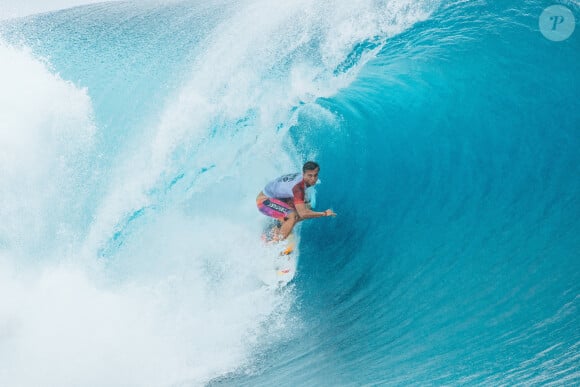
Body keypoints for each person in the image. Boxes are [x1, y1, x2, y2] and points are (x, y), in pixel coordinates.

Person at [256, 161, 336, 241]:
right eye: (310, 176)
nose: (313, 179)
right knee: (293, 216)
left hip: (276, 196)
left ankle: (276, 226)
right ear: (304, 174)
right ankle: (276, 243)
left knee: (303, 207)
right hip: (263, 201)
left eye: (315, 175)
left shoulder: (301, 178)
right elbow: (304, 214)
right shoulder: (298, 188)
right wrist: (324, 213)